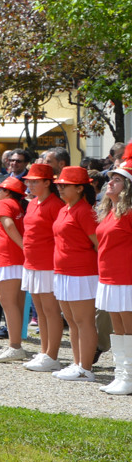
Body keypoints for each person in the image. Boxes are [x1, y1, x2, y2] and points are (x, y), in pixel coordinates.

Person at [50, 165, 100, 382]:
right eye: (59, 185)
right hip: (63, 271)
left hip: (82, 272)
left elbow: (99, 244)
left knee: (84, 320)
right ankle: (78, 362)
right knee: (71, 321)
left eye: (65, 185)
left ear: (80, 188)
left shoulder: (85, 211)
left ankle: (86, 368)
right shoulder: (64, 209)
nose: (60, 188)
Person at [20, 162, 67, 372]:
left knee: (50, 311)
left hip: (48, 263)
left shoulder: (55, 205)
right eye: (29, 180)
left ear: (48, 182)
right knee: (39, 311)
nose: (30, 184)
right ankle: (44, 351)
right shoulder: (32, 203)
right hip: (32, 262)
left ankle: (52, 355)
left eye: (35, 181)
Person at [94, 164, 132, 395]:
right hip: (109, 276)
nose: (110, 183)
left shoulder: (129, 213)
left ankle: (129, 377)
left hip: (126, 277)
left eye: (116, 180)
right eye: (110, 179)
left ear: (127, 187)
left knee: (129, 328)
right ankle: (122, 375)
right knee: (117, 329)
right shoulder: (109, 212)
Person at [0, 175, 30, 362]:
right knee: (16, 302)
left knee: (7, 301)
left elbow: (8, 225)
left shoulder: (4, 204)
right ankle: (15, 344)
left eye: (0, 190)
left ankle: (15, 346)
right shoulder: (19, 205)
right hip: (15, 257)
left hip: (8, 256)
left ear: (7, 192)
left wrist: (23, 247)